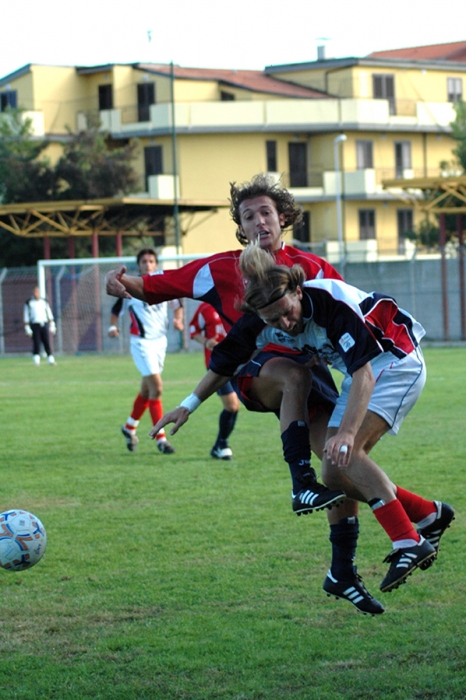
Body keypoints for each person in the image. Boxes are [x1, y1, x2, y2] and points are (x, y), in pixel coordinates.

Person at [105, 174, 381, 614]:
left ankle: (342, 571)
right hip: (257, 372)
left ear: (283, 217)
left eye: (265, 213)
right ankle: (310, 487)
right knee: (294, 377)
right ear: (241, 226)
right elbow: (159, 286)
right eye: (247, 216)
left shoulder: (314, 269)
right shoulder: (220, 268)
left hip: (316, 378)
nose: (257, 222)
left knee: (342, 469)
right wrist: (122, 286)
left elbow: (354, 318)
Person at [159, 244, 453, 596]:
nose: (285, 324)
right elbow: (224, 363)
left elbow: (363, 373)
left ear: (298, 291)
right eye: (273, 320)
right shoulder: (260, 320)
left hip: (396, 363)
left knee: (349, 452)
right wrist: (188, 405)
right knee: (333, 471)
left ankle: (408, 539)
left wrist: (346, 433)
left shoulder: (330, 302)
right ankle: (427, 515)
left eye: (287, 312)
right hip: (362, 374)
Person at [108, 247, 184, 455]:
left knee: (146, 390)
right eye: (144, 262)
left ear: (155, 264)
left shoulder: (163, 284)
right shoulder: (131, 288)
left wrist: (178, 319)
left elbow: (177, 303)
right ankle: (161, 439)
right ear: (139, 265)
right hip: (141, 343)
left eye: (151, 261)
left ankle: (129, 427)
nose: (148, 264)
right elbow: (116, 309)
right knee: (157, 388)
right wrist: (112, 327)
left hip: (160, 343)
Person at [189, 302, 240, 460]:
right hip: (217, 365)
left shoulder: (235, 302)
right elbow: (193, 330)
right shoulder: (205, 308)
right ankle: (222, 444)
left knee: (235, 406)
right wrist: (206, 342)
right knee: (231, 405)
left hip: (239, 361)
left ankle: (219, 445)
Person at [23, 286, 57, 366]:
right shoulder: (29, 302)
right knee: (36, 342)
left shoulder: (44, 302)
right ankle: (36, 360)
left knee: (46, 342)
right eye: (35, 292)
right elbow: (26, 316)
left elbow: (49, 313)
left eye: (38, 292)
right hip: (35, 325)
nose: (36, 294)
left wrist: (52, 324)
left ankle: (51, 359)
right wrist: (27, 327)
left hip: (43, 324)